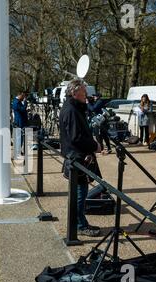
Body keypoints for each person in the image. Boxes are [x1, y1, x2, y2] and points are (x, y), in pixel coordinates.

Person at [59, 79, 102, 238]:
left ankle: (79, 222)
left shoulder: (73, 107)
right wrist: (94, 146)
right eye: (84, 93)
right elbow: (76, 137)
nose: (87, 96)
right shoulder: (71, 110)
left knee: (80, 193)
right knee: (79, 193)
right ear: (75, 93)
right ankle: (79, 225)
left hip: (76, 156)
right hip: (77, 158)